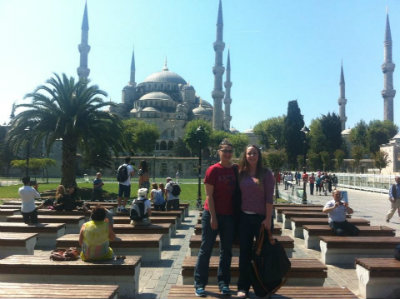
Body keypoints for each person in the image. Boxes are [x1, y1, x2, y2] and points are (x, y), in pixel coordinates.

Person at [194, 139, 236, 297]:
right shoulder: (213, 170)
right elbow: (209, 196)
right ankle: (199, 284)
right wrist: (213, 217)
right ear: (219, 152)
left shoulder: (235, 169)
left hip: (229, 215)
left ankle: (224, 283)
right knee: (206, 249)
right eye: (224, 151)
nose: (227, 154)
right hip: (212, 214)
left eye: (230, 151)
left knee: (226, 251)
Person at [236, 145, 275, 298]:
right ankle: (243, 287)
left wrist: (267, 219)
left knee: (263, 255)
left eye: (254, 153)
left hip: (261, 219)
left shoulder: (266, 174)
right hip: (244, 218)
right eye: (249, 153)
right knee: (244, 254)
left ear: (259, 155)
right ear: (245, 156)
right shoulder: (241, 173)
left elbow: (269, 199)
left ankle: (264, 287)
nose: (252, 156)